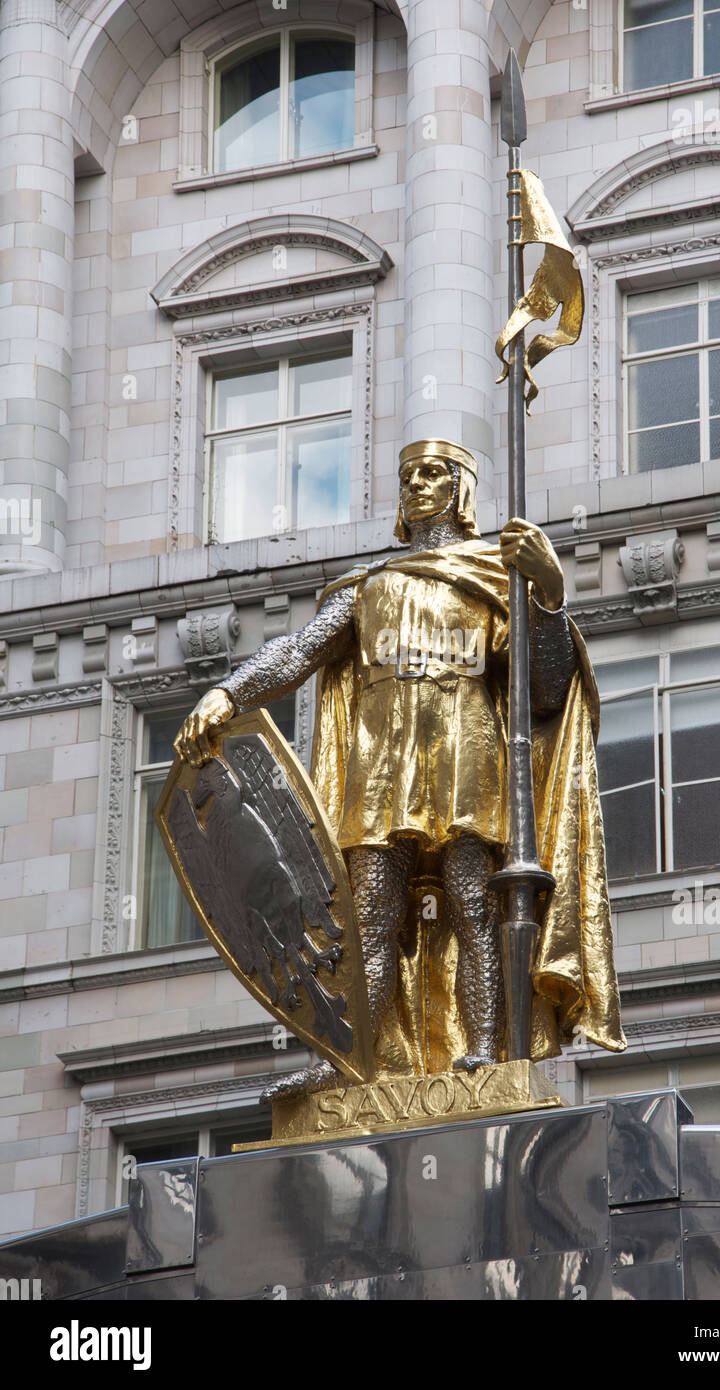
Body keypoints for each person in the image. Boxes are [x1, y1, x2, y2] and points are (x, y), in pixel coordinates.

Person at [174, 439, 624, 1102]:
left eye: (432, 473)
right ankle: (349, 1060)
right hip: (382, 771)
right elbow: (297, 653)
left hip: (469, 758)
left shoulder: (494, 579)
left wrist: (549, 598)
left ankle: (481, 1056)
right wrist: (230, 692)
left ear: (459, 490)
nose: (415, 484)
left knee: (475, 907)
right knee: (368, 916)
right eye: (407, 474)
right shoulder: (368, 586)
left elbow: (547, 689)